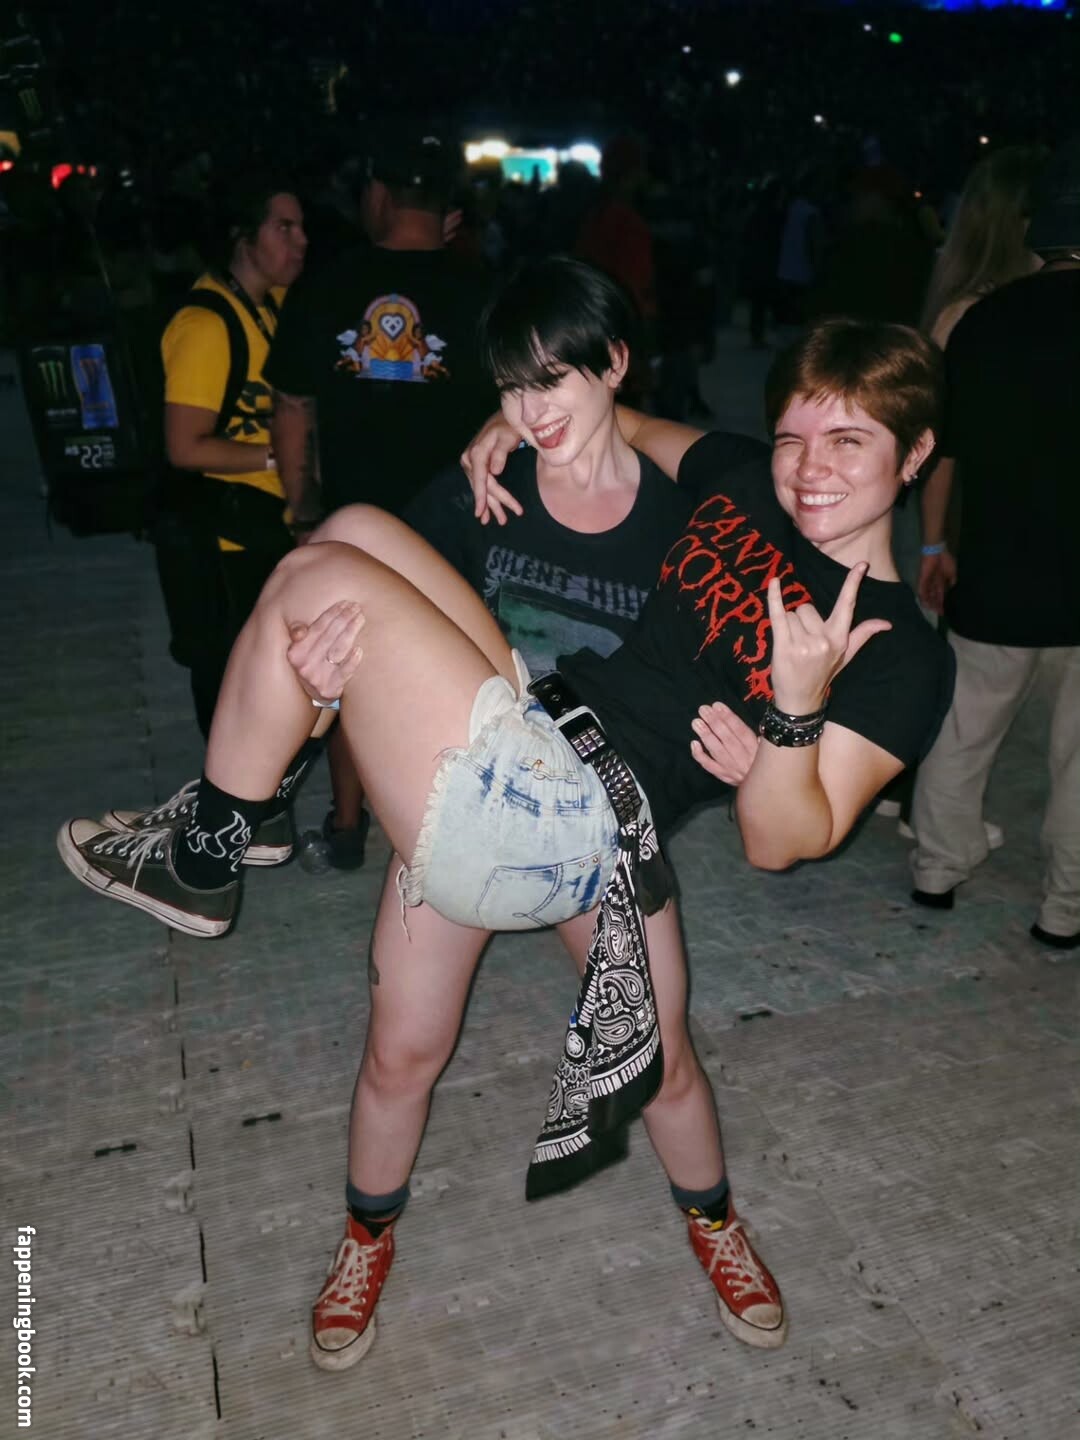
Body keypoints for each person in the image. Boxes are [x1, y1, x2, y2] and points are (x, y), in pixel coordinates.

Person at [57, 315, 953, 1373]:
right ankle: (365, 1238)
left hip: (591, 822)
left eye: (850, 442)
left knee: (661, 1064)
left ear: (916, 453)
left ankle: (209, 852)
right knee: (350, 531)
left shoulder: (900, 655)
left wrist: (792, 720)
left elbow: (778, 842)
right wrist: (507, 424)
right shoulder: (748, 482)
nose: (809, 469)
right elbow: (625, 421)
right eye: (796, 436)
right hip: (535, 719)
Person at [263, 129, 495, 869]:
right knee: (461, 668)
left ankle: (347, 823)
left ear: (379, 197)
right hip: (464, 525)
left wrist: (302, 512)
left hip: (352, 522)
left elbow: (293, 407)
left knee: (344, 662)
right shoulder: (487, 291)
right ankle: (455, 823)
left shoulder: (328, 284)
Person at [906, 138, 1080, 950]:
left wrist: (933, 545)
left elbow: (948, 451)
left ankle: (937, 868)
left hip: (998, 560)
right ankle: (1065, 907)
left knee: (966, 725)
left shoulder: (987, 318)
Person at [153, 178, 308, 740]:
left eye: (301, 227)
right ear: (243, 237)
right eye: (284, 228)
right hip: (227, 543)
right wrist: (279, 455)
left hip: (268, 527)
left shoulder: (273, 305)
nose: (301, 241)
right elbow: (184, 446)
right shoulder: (206, 327)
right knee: (239, 699)